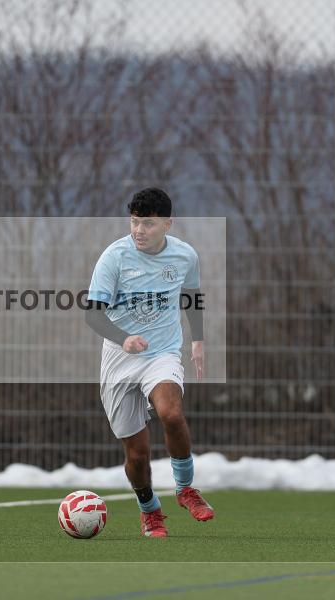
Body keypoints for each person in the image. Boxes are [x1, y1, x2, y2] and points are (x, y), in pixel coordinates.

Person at [85, 187, 213, 537]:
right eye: (135, 221)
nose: (139, 230)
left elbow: (192, 297)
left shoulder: (185, 256)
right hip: (120, 358)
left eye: (148, 223)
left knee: (171, 412)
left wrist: (198, 340)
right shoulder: (114, 257)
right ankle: (149, 510)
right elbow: (92, 316)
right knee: (137, 456)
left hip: (162, 352)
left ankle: (185, 489)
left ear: (168, 224)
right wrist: (123, 338)